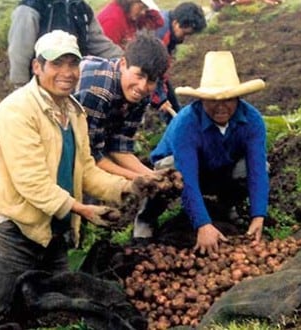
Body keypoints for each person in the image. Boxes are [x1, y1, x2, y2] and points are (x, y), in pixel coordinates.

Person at [0, 30, 168, 330]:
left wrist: (129, 186)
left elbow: (86, 171)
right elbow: (32, 183)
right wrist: (84, 210)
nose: (67, 73)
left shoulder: (73, 112)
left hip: (54, 233)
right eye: (57, 64)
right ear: (37, 67)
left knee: (58, 308)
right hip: (15, 232)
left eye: (73, 65)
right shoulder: (17, 112)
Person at [138, 51, 270, 254]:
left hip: (220, 169)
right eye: (213, 100)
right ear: (201, 100)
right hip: (182, 169)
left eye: (228, 99)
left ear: (238, 98)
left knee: (252, 168)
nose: (221, 107)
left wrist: (258, 215)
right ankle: (146, 219)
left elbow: (257, 170)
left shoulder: (252, 120)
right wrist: (202, 225)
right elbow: (187, 177)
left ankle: (226, 206)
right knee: (168, 173)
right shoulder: (186, 123)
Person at [74, 32, 169, 182]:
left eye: (151, 81)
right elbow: (90, 157)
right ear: (123, 64)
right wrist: (140, 178)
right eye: (139, 75)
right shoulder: (99, 91)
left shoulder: (141, 93)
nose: (142, 86)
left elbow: (119, 145)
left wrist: (154, 176)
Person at [8, 0, 124, 87]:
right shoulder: (30, 8)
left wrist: (128, 61)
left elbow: (99, 44)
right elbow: (19, 52)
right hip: (40, 85)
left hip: (73, 82)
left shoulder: (81, 8)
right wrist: (21, 88)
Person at [152, 2, 207, 120]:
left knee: (173, 105)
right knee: (165, 107)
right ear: (176, 23)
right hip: (142, 73)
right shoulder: (161, 34)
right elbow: (151, 71)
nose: (184, 39)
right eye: (185, 34)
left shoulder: (170, 26)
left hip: (155, 72)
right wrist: (160, 99)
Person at [97, 0, 164, 49]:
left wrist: (149, 10)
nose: (143, 12)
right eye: (142, 7)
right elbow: (107, 54)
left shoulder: (131, 14)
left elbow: (158, 23)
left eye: (146, 8)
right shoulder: (112, 21)